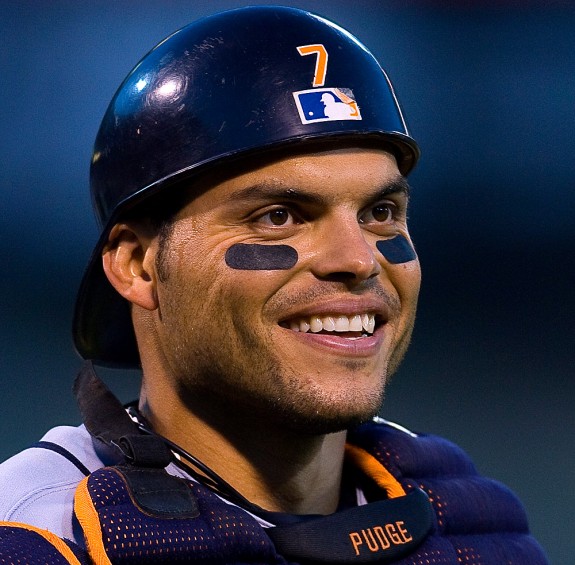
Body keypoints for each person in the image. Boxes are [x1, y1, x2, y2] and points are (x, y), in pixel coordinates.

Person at [0, 6, 548, 564]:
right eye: (279, 216)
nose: (357, 260)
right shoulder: (41, 538)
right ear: (139, 265)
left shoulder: (472, 533)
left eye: (380, 211)